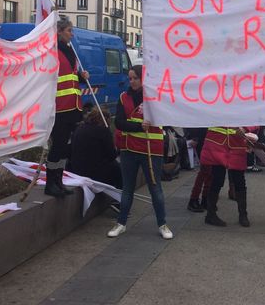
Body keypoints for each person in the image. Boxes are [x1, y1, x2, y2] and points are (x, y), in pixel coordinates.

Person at [107, 65, 173, 240]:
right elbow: (119, 123)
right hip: (130, 149)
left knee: (155, 188)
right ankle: (121, 223)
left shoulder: (155, 98)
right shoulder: (123, 97)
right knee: (127, 188)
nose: (132, 81)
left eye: (135, 78)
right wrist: (137, 125)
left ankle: (162, 224)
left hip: (152, 149)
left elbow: (167, 117)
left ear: (143, 79)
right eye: (130, 78)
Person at [45, 19, 89, 198]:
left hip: (73, 106)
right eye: (70, 30)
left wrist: (81, 76)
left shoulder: (70, 50)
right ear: (60, 31)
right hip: (60, 108)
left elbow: (69, 76)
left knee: (65, 148)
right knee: (57, 147)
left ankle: (59, 180)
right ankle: (50, 183)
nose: (72, 34)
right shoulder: (53, 50)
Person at [201, 126, 259, 227]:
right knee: (217, 180)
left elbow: (257, 118)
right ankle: (210, 214)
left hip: (237, 144)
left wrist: (245, 128)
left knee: (239, 180)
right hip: (217, 143)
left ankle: (243, 214)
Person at [70, 107, 121, 189]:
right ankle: (118, 194)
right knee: (117, 167)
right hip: (95, 171)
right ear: (105, 119)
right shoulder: (103, 131)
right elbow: (112, 155)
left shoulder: (80, 128)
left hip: (77, 169)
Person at [185, 128, 211, 212]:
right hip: (201, 139)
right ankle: (194, 199)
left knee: (210, 172)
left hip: (208, 138)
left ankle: (205, 198)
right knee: (205, 171)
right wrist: (195, 138)